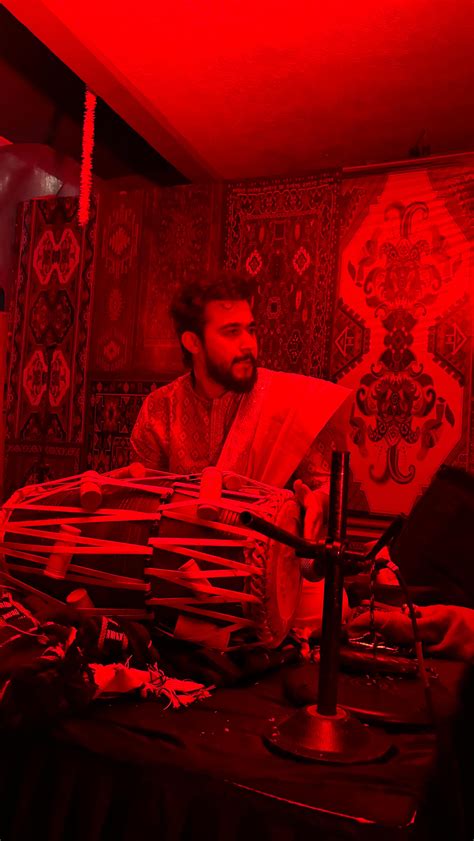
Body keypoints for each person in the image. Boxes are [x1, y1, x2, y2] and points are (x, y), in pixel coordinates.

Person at [130, 272, 353, 631]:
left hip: (265, 571)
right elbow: (141, 505)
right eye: (231, 332)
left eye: (251, 329)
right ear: (193, 342)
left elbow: (325, 485)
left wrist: (318, 503)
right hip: (183, 569)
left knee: (329, 608)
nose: (249, 344)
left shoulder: (288, 402)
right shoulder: (159, 410)